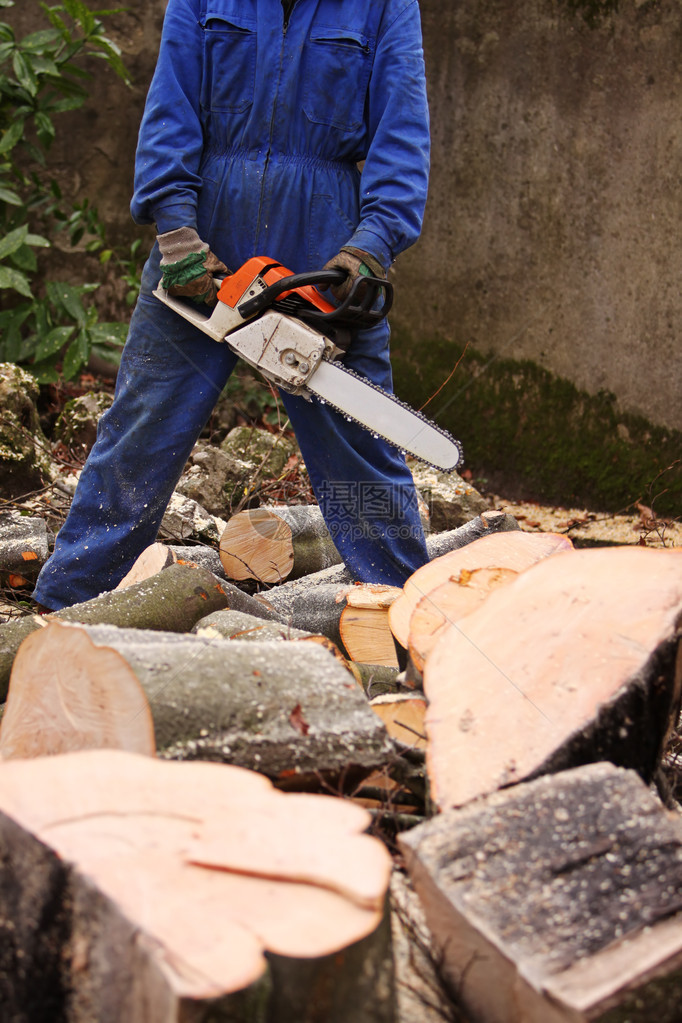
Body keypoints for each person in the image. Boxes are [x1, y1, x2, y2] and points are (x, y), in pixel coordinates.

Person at [33, 0, 432, 611]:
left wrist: (372, 245)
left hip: (324, 236)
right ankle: (68, 604)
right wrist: (177, 235)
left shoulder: (383, 5)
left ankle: (405, 606)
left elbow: (402, 132)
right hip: (206, 226)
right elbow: (171, 107)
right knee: (143, 426)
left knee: (362, 440)